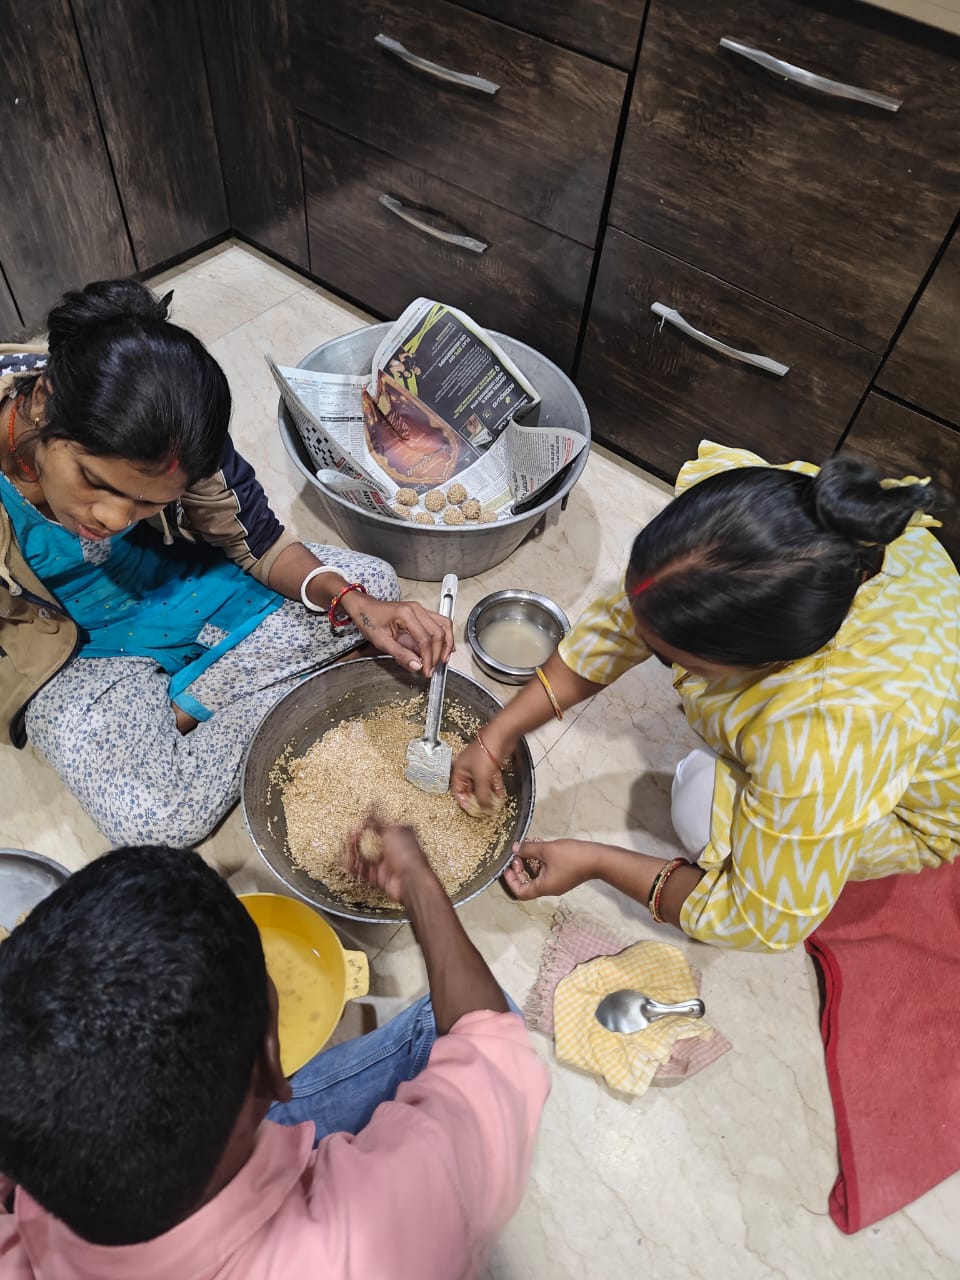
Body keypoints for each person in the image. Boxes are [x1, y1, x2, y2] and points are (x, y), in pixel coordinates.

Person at [452, 441, 960, 952]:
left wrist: (596, 861)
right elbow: (622, 621)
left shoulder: (827, 738)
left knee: (696, 796)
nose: (661, 661)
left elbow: (757, 921)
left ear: (766, 663)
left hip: (912, 813)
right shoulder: (782, 520)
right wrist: (498, 734)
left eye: (678, 662)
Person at [0, 279, 453, 846]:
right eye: (95, 482)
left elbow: (256, 542)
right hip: (63, 646)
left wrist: (352, 603)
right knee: (157, 821)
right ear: (41, 403)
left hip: (173, 582)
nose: (115, 519)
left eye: (148, 502)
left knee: (373, 586)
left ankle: (184, 708)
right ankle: (235, 695)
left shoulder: (180, 435)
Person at [0, 837, 549, 1277]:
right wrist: (419, 885)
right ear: (270, 1066)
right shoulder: (366, 1243)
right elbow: (489, 1044)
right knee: (472, 1014)